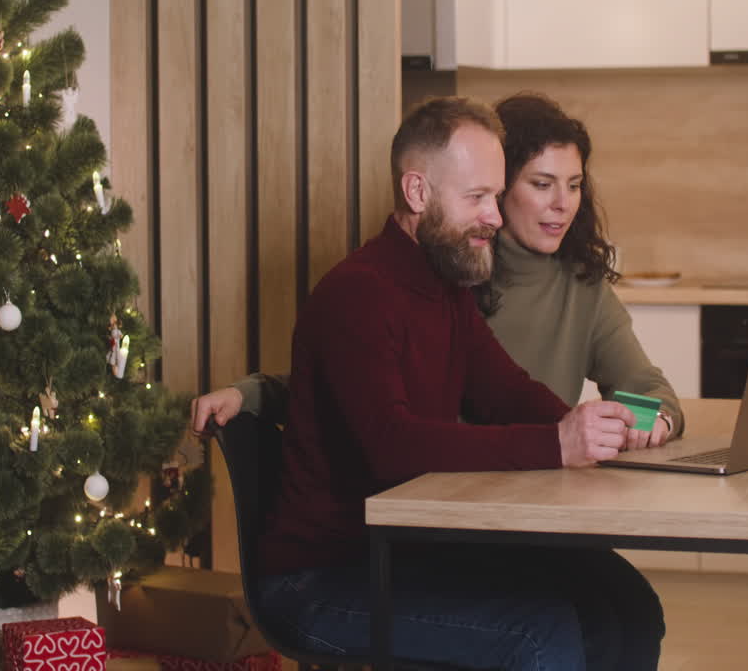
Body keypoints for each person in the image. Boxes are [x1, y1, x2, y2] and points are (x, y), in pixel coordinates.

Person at [199, 96, 672, 670]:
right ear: (418, 193)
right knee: (539, 634)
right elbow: (394, 445)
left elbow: (505, 390)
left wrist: (588, 433)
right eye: (477, 198)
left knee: (625, 605)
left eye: (496, 197)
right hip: (321, 580)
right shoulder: (358, 294)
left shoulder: (444, 289)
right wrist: (557, 444)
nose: (494, 217)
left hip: (404, 551)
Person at [195, 92, 683, 444]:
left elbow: (627, 391)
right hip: (434, 514)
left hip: (512, 498)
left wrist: (642, 422)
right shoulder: (443, 269)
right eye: (541, 184)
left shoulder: (577, 287)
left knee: (616, 590)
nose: (563, 204)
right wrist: (254, 394)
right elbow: (362, 401)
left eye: (574, 185)